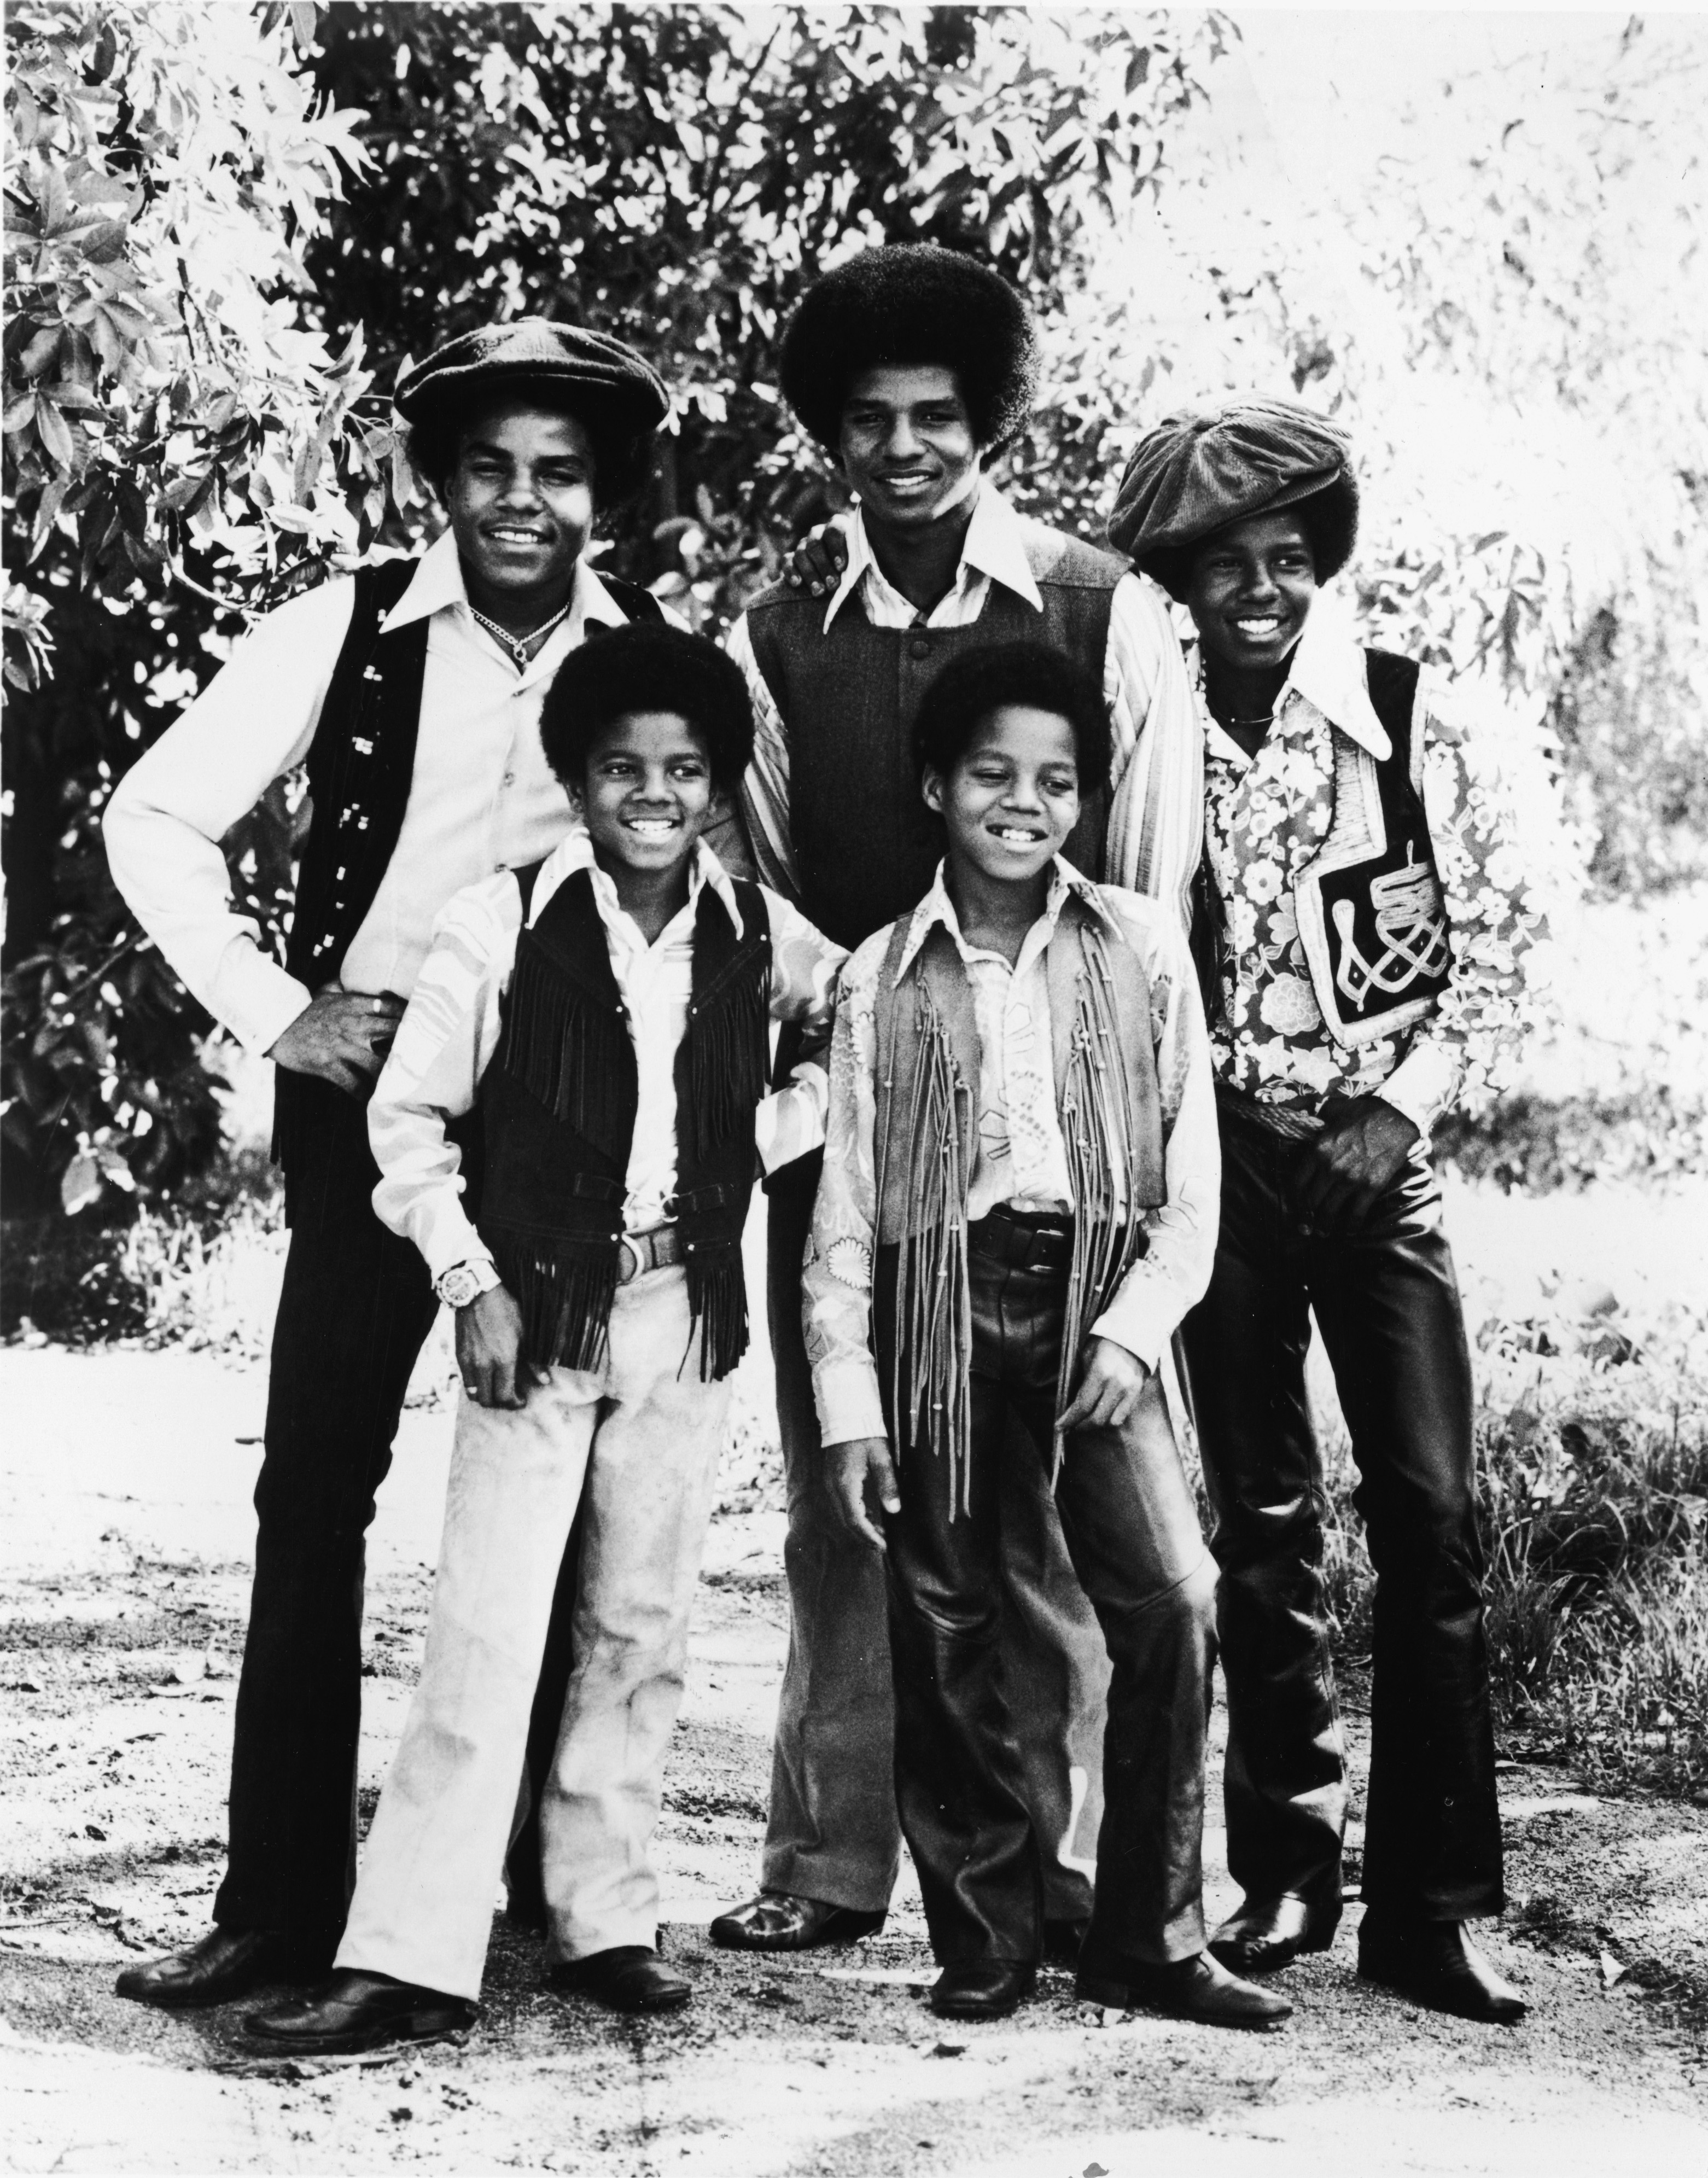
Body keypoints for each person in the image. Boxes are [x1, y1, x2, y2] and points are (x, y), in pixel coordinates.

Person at [103, 320, 672, 2008]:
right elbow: (153, 817)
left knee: (553, 1517)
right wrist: (281, 1011)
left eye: (557, 471)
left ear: (600, 492)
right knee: (316, 1488)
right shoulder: (343, 627)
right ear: (438, 480)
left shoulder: (634, 655)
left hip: (565, 1146)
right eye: (488, 466)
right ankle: (278, 1898)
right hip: (370, 1124)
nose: (522, 498)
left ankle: (548, 1893)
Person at [241, 625, 846, 2053]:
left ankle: (604, 1915)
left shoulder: (757, 928)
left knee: (637, 1622)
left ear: (715, 783)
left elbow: (850, 1013)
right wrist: (470, 1280)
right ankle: (407, 1950)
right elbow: (405, 1120)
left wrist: (770, 1133)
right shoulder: (499, 917)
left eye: (683, 769)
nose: (653, 792)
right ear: (575, 776)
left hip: (679, 1315)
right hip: (539, 1315)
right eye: (622, 766)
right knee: (492, 1627)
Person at [710, 243, 1203, 1959]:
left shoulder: (1098, 605)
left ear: (985, 422)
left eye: (937, 416)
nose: (906, 449)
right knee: (851, 1494)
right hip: (861, 1109)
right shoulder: (778, 634)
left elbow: (1143, 891)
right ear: (830, 435)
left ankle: (1051, 1875)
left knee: (1057, 1508)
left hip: (1062, 1134)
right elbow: (753, 880)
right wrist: (859, 1023)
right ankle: (830, 1852)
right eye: (869, 420)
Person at [1106, 398, 1544, 2024]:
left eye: (1288, 558)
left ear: (1324, 563)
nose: (1259, 591)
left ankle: (1432, 1909)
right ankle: (1285, 1866)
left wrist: (1394, 1108)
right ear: (1177, 580)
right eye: (1224, 565)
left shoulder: (1412, 719)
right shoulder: (1148, 734)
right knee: (1257, 1522)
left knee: (1428, 1515)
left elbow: (1503, 951)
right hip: (1219, 1162)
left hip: (1379, 1164)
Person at [802, 639, 1285, 2028]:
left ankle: (1148, 1931)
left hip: (1095, 1292)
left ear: (1085, 799)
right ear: (936, 785)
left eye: (1056, 780)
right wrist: (848, 1398)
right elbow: (847, 1204)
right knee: (945, 1612)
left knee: (1172, 1594)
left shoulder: (1137, 944)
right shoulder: (876, 975)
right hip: (939, 1298)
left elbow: (1187, 1181)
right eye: (994, 774)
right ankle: (986, 1933)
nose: (1024, 801)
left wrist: (1134, 1335)